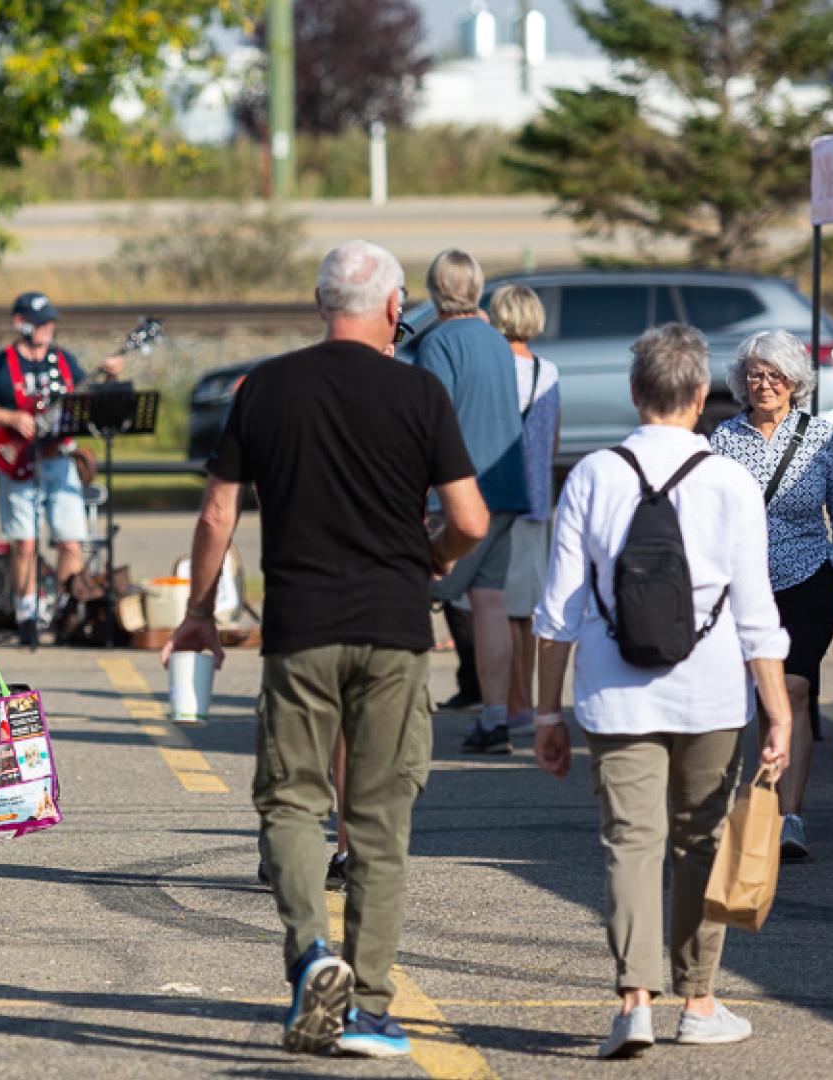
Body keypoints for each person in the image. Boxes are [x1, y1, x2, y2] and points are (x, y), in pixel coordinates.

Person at [165, 241, 490, 1059]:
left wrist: (200, 613)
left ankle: (311, 952)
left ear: (321, 303)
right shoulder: (419, 391)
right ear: (391, 308)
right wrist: (439, 557)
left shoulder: (265, 388)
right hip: (395, 629)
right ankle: (372, 1006)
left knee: (289, 802)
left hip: (301, 627)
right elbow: (473, 519)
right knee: (379, 821)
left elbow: (216, 515)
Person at [531, 323, 793, 1059]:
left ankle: (633, 1003)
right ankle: (699, 1000)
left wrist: (548, 711)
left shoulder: (593, 474)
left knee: (630, 843)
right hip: (711, 697)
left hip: (616, 695)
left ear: (635, 391)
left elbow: (557, 611)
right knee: (700, 841)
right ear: (702, 393)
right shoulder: (730, 481)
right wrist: (778, 712)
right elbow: (756, 614)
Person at [710, 331, 833, 862]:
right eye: (755, 375)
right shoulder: (723, 439)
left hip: (807, 584)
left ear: (795, 381)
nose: (765, 384)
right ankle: (752, 804)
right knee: (753, 700)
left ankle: (786, 815)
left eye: (775, 375)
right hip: (743, 589)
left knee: (793, 690)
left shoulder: (820, 438)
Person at [413, 250, 529, 754]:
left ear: (434, 289)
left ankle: (403, 715)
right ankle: (496, 716)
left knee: (416, 596)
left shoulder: (437, 344)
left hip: (461, 492)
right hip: (506, 486)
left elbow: (430, 423)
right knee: (490, 603)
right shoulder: (496, 342)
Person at [0, 292, 123, 645]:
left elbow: (85, 400)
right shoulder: (2, 363)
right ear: (21, 323)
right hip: (18, 461)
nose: (47, 328)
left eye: (50, 321)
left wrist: (108, 380)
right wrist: (10, 417)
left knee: (71, 540)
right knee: (24, 542)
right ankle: (26, 614)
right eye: (40, 322)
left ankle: (66, 610)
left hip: (59, 459)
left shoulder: (64, 361)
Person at [490, 284, 561, 733]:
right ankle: (527, 699)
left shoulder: (492, 370)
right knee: (528, 610)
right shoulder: (548, 372)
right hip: (536, 498)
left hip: (496, 498)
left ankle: (512, 703)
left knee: (501, 607)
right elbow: (552, 441)